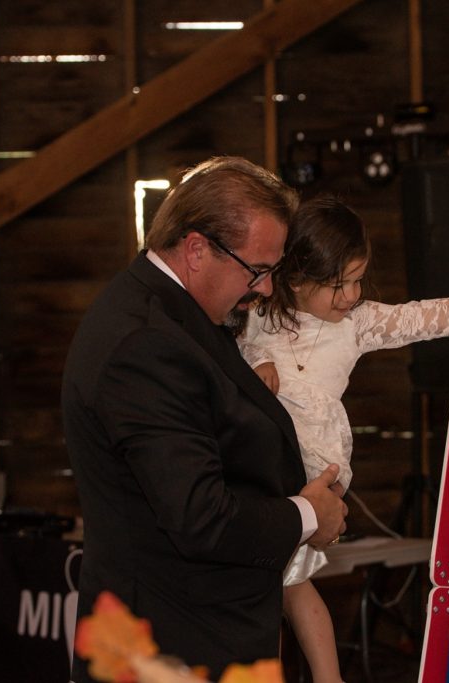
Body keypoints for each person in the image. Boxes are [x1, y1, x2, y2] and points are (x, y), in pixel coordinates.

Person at [61, 157, 349, 682]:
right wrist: (309, 516)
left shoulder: (176, 313)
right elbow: (200, 517)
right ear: (196, 250)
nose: (264, 290)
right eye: (257, 270)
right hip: (170, 649)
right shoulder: (145, 343)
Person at [237, 195, 449, 683]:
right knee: (273, 584)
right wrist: (257, 361)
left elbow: (424, 318)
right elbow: (234, 343)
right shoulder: (259, 316)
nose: (351, 295)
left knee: (283, 580)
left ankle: (326, 677)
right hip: (260, 462)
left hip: (313, 464)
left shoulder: (357, 325)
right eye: (338, 285)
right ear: (295, 279)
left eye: (358, 280)